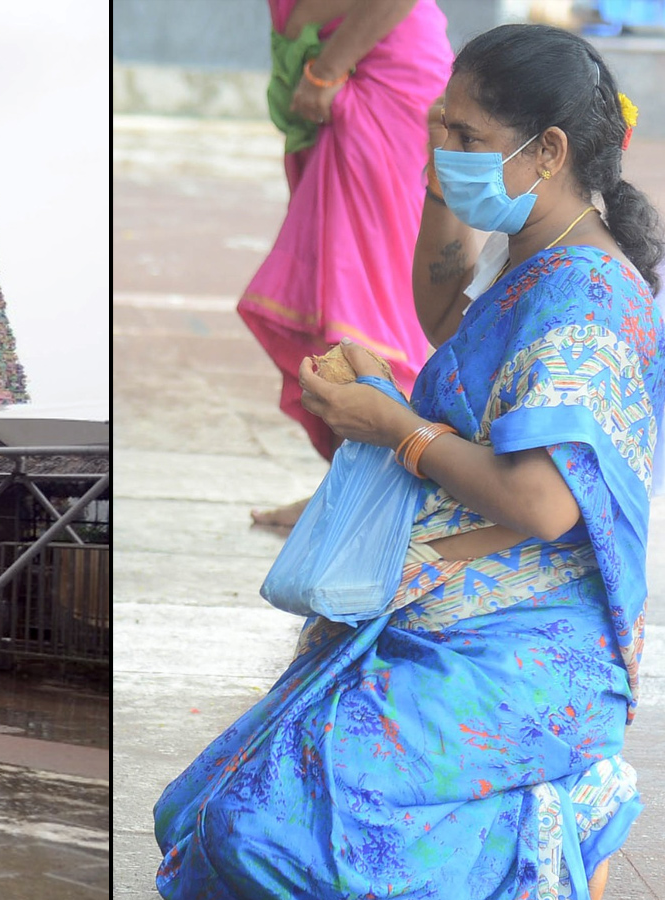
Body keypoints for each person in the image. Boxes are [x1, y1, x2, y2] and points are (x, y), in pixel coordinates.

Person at [155, 23, 665, 899]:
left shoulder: (583, 296)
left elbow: (544, 503)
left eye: (468, 137)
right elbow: (441, 316)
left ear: (548, 152)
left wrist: (394, 426)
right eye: (439, 124)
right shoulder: (536, 252)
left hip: (528, 645)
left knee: (263, 833)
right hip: (442, 609)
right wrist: (440, 177)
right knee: (201, 811)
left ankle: (548, 818)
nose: (445, 146)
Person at [242, 0, 451, 529]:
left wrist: (325, 69)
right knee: (325, 298)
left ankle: (382, 496)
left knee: (362, 302)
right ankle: (347, 490)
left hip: (367, 69)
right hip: (338, 64)